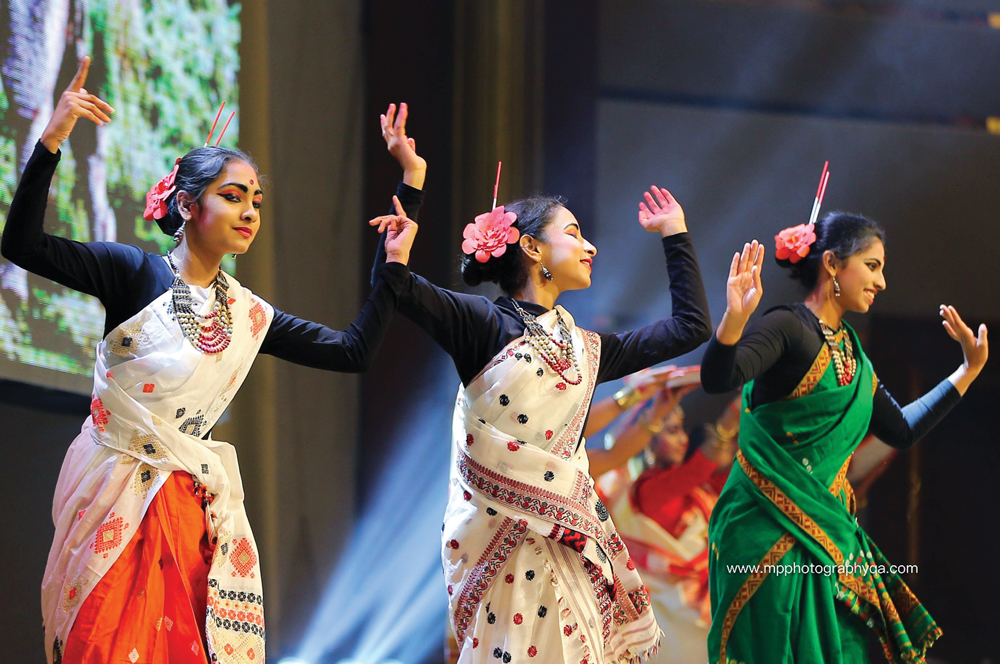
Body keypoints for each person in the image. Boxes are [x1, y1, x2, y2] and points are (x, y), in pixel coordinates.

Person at [0, 58, 423, 664]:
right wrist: (51, 141)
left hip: (189, 509)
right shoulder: (133, 273)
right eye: (232, 197)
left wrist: (398, 246)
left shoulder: (247, 314)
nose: (250, 211)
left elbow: (353, 351)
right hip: (115, 494)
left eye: (255, 200)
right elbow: (21, 245)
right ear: (188, 205)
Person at [370, 109, 718, 663]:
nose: (591, 246)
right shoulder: (482, 325)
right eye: (574, 233)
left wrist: (675, 234)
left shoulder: (584, 348)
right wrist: (411, 180)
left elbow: (691, 328)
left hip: (569, 552)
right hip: (499, 555)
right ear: (532, 249)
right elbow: (396, 280)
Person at [701, 215, 988, 662]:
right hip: (764, 535)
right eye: (872, 266)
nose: (882, 281)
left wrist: (965, 373)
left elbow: (902, 429)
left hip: (830, 540)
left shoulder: (855, 357)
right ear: (832, 263)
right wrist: (734, 321)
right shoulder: (787, 327)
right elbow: (720, 377)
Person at [592, 387, 738, 664]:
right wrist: (730, 418)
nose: (683, 439)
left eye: (682, 430)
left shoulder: (697, 491)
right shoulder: (646, 490)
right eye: (672, 432)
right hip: (672, 617)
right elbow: (697, 468)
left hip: (703, 606)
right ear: (647, 441)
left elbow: (730, 478)